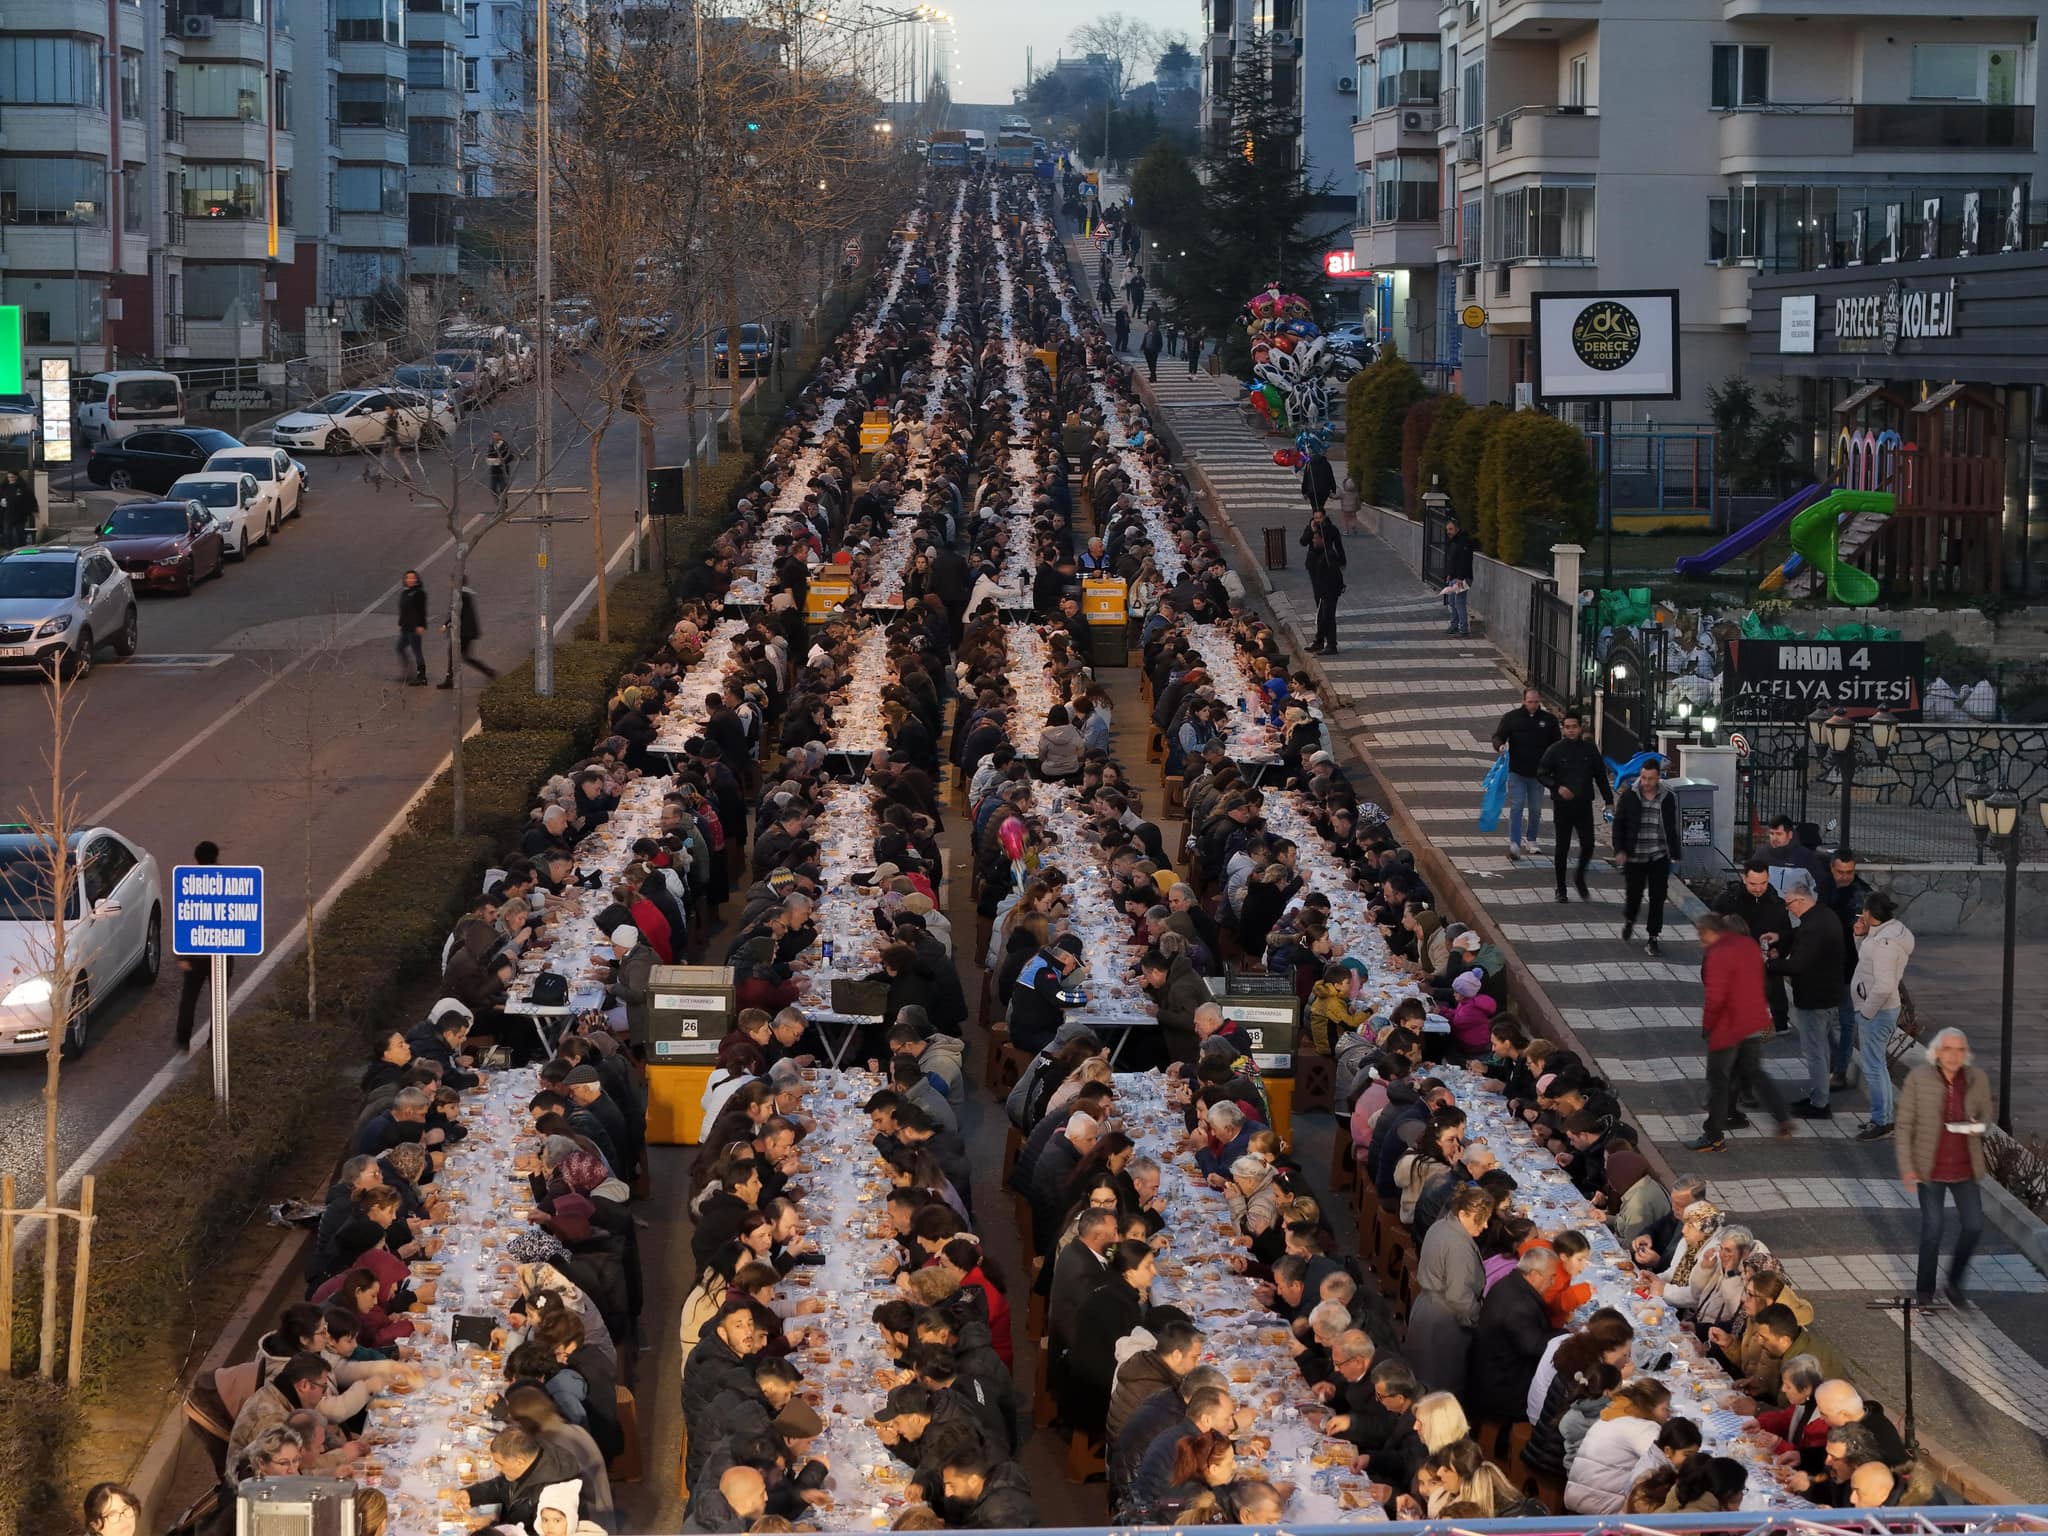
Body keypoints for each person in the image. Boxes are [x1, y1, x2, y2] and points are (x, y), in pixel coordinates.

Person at [1895, 1027, 1993, 1305]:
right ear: (1937, 1052)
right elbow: (1903, 1126)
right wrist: (1907, 1167)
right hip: (1930, 1168)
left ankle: (1954, 1283)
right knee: (1933, 1228)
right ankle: (1924, 1291)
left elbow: (1987, 1114)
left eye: (1960, 1050)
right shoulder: (1918, 1079)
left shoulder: (1977, 1079)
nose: (1954, 1056)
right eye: (1948, 1049)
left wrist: (1979, 1126)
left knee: (1974, 1225)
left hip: (1964, 1167)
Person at [1689, 913, 1794, 1151]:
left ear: (1710, 932)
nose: (1700, 942)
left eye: (1701, 936)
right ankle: (1782, 1117)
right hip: (1753, 1022)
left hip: (1727, 1028)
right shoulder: (1748, 945)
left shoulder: (1717, 953)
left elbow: (1715, 998)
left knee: (1718, 1080)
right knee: (1755, 1072)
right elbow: (1763, 982)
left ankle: (1714, 1135)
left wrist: (1707, 1026)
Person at [1768, 878, 1846, 1118]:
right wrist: (1780, 938)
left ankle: (1820, 1104)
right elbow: (1798, 932)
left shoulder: (1813, 927)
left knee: (1815, 1053)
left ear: (1801, 900)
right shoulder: (1822, 915)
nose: (1788, 908)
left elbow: (1798, 964)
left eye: (1789, 903)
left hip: (1815, 999)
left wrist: (1770, 965)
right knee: (1821, 1050)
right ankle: (1817, 1096)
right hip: (1830, 995)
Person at [1849, 892, 1913, 1141]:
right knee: (1878, 1067)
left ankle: (1882, 1121)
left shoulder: (1885, 944)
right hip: (1882, 1010)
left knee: (1874, 1068)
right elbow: (1866, 962)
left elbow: (1884, 985)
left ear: (1868, 913)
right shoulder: (1888, 934)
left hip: (1877, 1012)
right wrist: (1860, 936)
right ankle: (1882, 1117)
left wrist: (1866, 1012)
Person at [1537, 709, 1611, 902]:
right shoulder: (1555, 750)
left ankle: (1579, 877)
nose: (1571, 731)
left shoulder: (1589, 750)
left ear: (1580, 728)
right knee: (1562, 847)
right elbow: (1542, 773)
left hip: (1584, 804)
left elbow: (1601, 776)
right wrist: (1557, 787)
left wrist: (1609, 800)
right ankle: (1561, 889)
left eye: (1574, 727)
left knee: (1588, 844)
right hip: (1562, 806)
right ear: (1563, 729)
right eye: (1567, 727)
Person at [1613, 758, 1678, 955]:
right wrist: (1620, 850)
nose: (1646, 782)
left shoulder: (1667, 797)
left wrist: (1674, 852)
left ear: (1658, 778)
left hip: (1658, 855)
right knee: (1634, 895)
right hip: (1635, 855)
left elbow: (1671, 826)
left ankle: (1653, 937)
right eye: (1643, 778)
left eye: (1650, 779)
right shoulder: (1630, 796)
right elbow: (1619, 824)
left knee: (1657, 897)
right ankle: (1630, 919)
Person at [174, 839, 231, 1051]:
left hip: (195, 952)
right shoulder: (230, 882)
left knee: (189, 996)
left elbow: (184, 919)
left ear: (196, 859)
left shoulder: (190, 882)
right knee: (219, 999)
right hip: (223, 951)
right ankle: (215, 1041)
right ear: (216, 856)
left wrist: (182, 956)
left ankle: (182, 1039)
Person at [1492, 687, 1561, 861]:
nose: (1533, 705)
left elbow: (1556, 744)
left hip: (1538, 773)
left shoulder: (1549, 720)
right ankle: (1514, 842)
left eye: (1536, 702)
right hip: (1517, 771)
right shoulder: (1512, 718)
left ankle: (1531, 839)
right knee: (1517, 806)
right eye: (1530, 702)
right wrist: (1500, 746)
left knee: (1536, 808)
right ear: (1523, 701)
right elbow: (1499, 735)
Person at [1299, 504, 1345, 655]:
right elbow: (1303, 541)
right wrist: (1312, 529)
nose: (1313, 541)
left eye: (1315, 539)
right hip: (1321, 586)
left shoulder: (1328, 554)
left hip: (1329, 591)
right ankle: (1319, 641)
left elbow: (1335, 576)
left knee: (1327, 617)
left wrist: (1329, 591)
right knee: (1321, 615)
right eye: (1315, 517)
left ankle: (1331, 644)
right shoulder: (1315, 547)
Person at [438, 580, 498, 688]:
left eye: (452, 581)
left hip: (463, 632)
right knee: (464, 656)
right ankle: (488, 671)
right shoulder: (464, 593)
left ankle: (450, 680)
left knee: (454, 653)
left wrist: (446, 624)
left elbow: (456, 613)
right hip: (467, 631)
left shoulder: (461, 595)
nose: (450, 583)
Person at [1441, 515, 1475, 637]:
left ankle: (1463, 630)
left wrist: (1460, 578)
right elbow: (1452, 560)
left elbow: (1464, 561)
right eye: (1447, 529)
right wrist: (1449, 574)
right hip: (1454, 577)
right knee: (1452, 602)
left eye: (1450, 529)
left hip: (1463, 578)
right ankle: (1454, 625)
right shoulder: (1454, 541)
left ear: (1457, 529)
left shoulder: (1463, 541)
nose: (1448, 532)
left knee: (1459, 602)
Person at [396, 569, 429, 686]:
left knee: (417, 651)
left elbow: (422, 611)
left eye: (412, 578)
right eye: (407, 578)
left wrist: (421, 625)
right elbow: (404, 609)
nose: (409, 580)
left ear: (416, 579)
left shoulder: (419, 593)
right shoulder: (405, 592)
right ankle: (409, 672)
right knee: (399, 647)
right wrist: (401, 622)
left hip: (415, 627)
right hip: (405, 627)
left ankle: (422, 677)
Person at [0, 468, 36, 548]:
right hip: (8, 514)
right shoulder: (4, 487)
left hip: (20, 515)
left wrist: (32, 510)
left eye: (12, 477)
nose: (10, 479)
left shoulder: (22, 487)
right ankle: (9, 549)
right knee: (7, 533)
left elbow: (29, 498)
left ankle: (21, 548)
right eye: (9, 477)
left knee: (20, 534)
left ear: (16, 477)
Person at [487, 430, 517, 506]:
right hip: (494, 471)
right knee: (493, 489)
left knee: (503, 489)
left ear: (500, 436)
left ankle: (504, 504)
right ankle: (499, 502)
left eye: (496, 436)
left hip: (503, 471)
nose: (495, 437)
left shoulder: (505, 446)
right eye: (494, 436)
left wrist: (503, 461)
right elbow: (489, 455)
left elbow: (511, 457)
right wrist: (490, 460)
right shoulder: (491, 445)